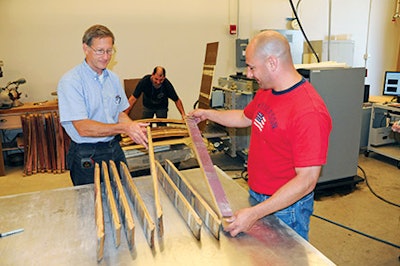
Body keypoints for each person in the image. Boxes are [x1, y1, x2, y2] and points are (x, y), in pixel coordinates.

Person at [189, 30, 332, 240]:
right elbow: (245, 118)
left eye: (251, 67)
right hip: (258, 195)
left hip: (286, 208)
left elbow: (307, 180)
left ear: (272, 62)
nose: (248, 74)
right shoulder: (267, 91)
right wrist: (209, 114)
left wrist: (255, 213)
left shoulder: (308, 111)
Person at [57, 24, 149, 186]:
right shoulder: (71, 81)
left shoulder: (113, 79)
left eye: (109, 51)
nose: (106, 57)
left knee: (124, 193)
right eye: (100, 51)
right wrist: (124, 128)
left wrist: (134, 128)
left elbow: (119, 114)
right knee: (91, 203)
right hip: (87, 152)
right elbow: (83, 127)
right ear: (86, 48)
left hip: (114, 147)